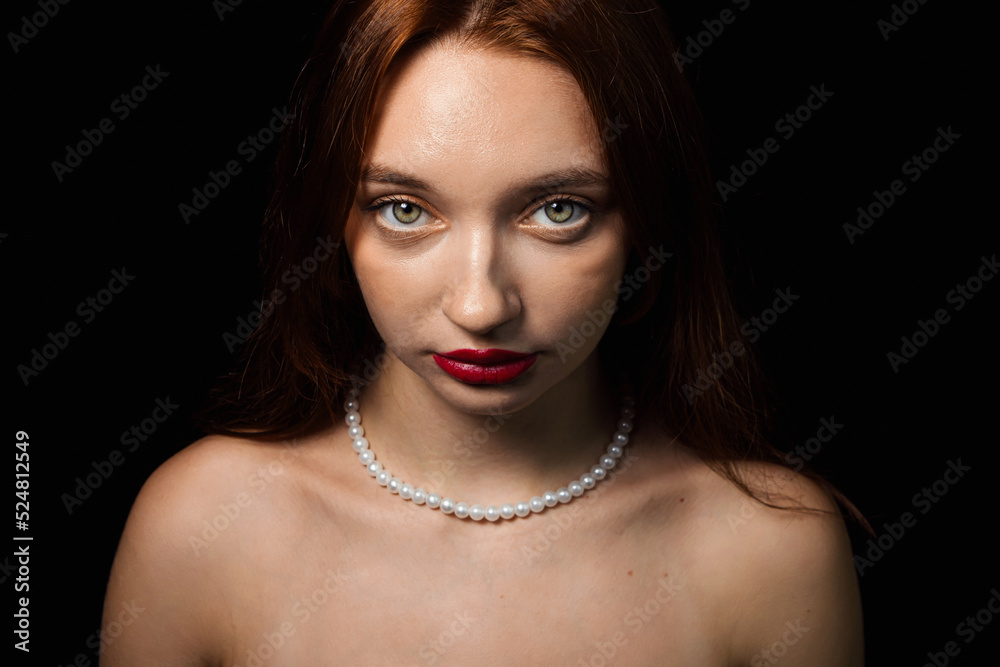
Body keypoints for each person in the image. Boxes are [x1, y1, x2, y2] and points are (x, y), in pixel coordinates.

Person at [102, 1, 867, 664]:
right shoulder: (199, 528)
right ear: (334, 220)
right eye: (405, 209)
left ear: (646, 219)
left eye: (558, 209)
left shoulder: (769, 551)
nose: (479, 305)